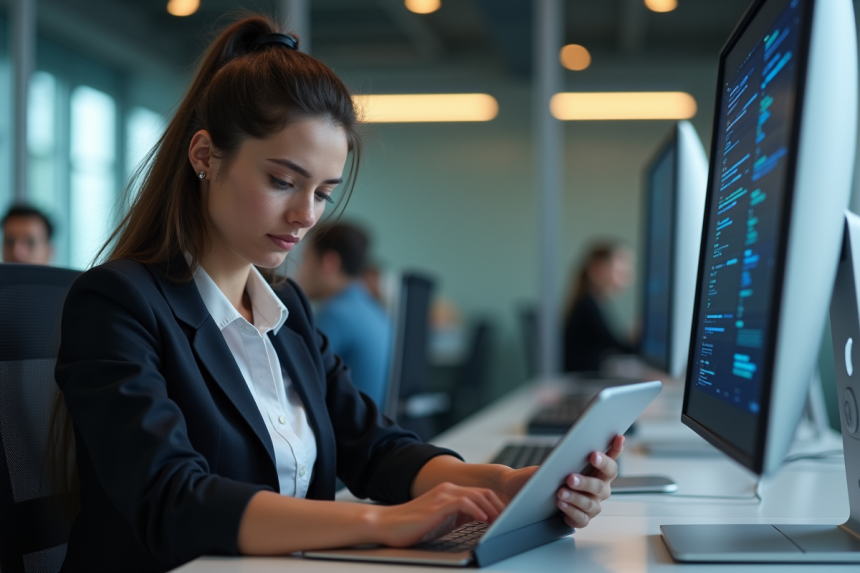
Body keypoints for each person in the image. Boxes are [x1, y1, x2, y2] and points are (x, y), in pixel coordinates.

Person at [51, 16, 623, 573]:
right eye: (282, 181)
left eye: (323, 192)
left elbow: (372, 447)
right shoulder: (117, 303)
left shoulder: (287, 308)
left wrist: (508, 484)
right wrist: (383, 525)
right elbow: (172, 499)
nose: (305, 216)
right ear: (205, 156)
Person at [297, 222, 392, 407]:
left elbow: (302, 385)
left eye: (304, 261)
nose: (298, 273)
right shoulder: (377, 311)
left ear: (329, 263)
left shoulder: (336, 314)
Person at [563, 241, 637, 372]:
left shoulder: (591, 303)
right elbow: (620, 348)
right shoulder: (587, 307)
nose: (628, 278)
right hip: (583, 380)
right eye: (620, 271)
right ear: (597, 269)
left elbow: (610, 343)